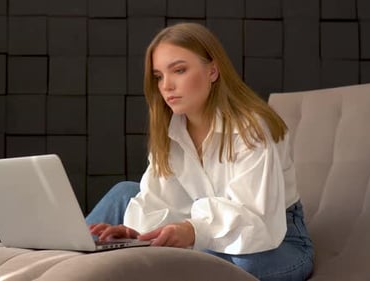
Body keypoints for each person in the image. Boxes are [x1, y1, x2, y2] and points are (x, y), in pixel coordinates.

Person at [85, 22, 314, 281]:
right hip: (201, 225)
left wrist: (192, 231)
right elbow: (163, 200)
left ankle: (141, 267)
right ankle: (68, 256)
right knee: (123, 194)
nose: (166, 86)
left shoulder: (250, 129)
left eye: (179, 70)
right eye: (159, 76)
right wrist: (134, 235)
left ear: (213, 71)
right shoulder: (172, 130)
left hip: (275, 237)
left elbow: (257, 219)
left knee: (231, 264)